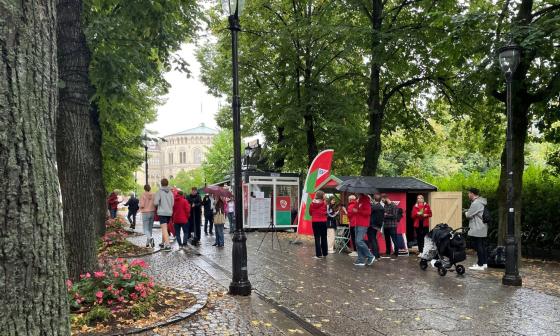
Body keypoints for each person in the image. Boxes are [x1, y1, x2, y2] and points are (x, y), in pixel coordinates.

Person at [465, 188, 488, 271]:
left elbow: (469, 215)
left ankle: (480, 265)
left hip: (478, 227)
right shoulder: (481, 202)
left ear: (472, 194)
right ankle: (484, 263)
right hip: (482, 226)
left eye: (468, 193)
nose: (468, 195)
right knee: (482, 245)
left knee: (478, 246)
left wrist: (466, 212)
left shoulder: (476, 203)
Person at [353, 193, 375, 266]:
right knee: (357, 242)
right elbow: (354, 210)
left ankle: (370, 256)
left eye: (357, 192)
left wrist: (358, 211)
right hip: (357, 223)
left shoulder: (366, 200)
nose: (355, 193)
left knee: (359, 241)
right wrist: (356, 204)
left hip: (363, 224)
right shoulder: (359, 200)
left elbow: (368, 213)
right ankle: (360, 260)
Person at [154, 178, 174, 251]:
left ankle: (168, 245)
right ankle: (162, 243)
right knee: (165, 228)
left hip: (162, 212)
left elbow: (155, 203)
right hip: (169, 213)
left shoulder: (159, 192)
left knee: (164, 229)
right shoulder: (170, 192)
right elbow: (173, 203)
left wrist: (159, 204)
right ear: (167, 183)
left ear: (161, 183)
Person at [309, 191, 328, 259]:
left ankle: (318, 254)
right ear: (321, 196)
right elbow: (326, 212)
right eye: (324, 195)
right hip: (323, 221)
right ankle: (325, 253)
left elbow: (310, 213)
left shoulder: (312, 204)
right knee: (324, 237)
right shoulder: (324, 203)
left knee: (317, 238)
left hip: (315, 222)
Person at [368, 193, 383, 259]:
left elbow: (369, 214)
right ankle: (377, 254)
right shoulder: (381, 207)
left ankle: (375, 255)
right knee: (374, 240)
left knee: (372, 240)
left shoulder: (373, 207)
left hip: (372, 225)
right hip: (377, 226)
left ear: (374, 199)